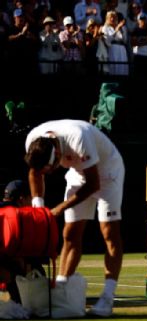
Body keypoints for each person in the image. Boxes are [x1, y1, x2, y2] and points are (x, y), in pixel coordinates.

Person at [24, 119, 125, 317]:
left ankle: (107, 297)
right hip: (78, 173)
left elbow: (93, 184)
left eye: (51, 169)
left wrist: (58, 209)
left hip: (107, 172)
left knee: (109, 232)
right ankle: (61, 288)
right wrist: (38, 209)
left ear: (58, 155)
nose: (49, 173)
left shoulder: (78, 137)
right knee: (70, 234)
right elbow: (35, 173)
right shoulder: (33, 140)